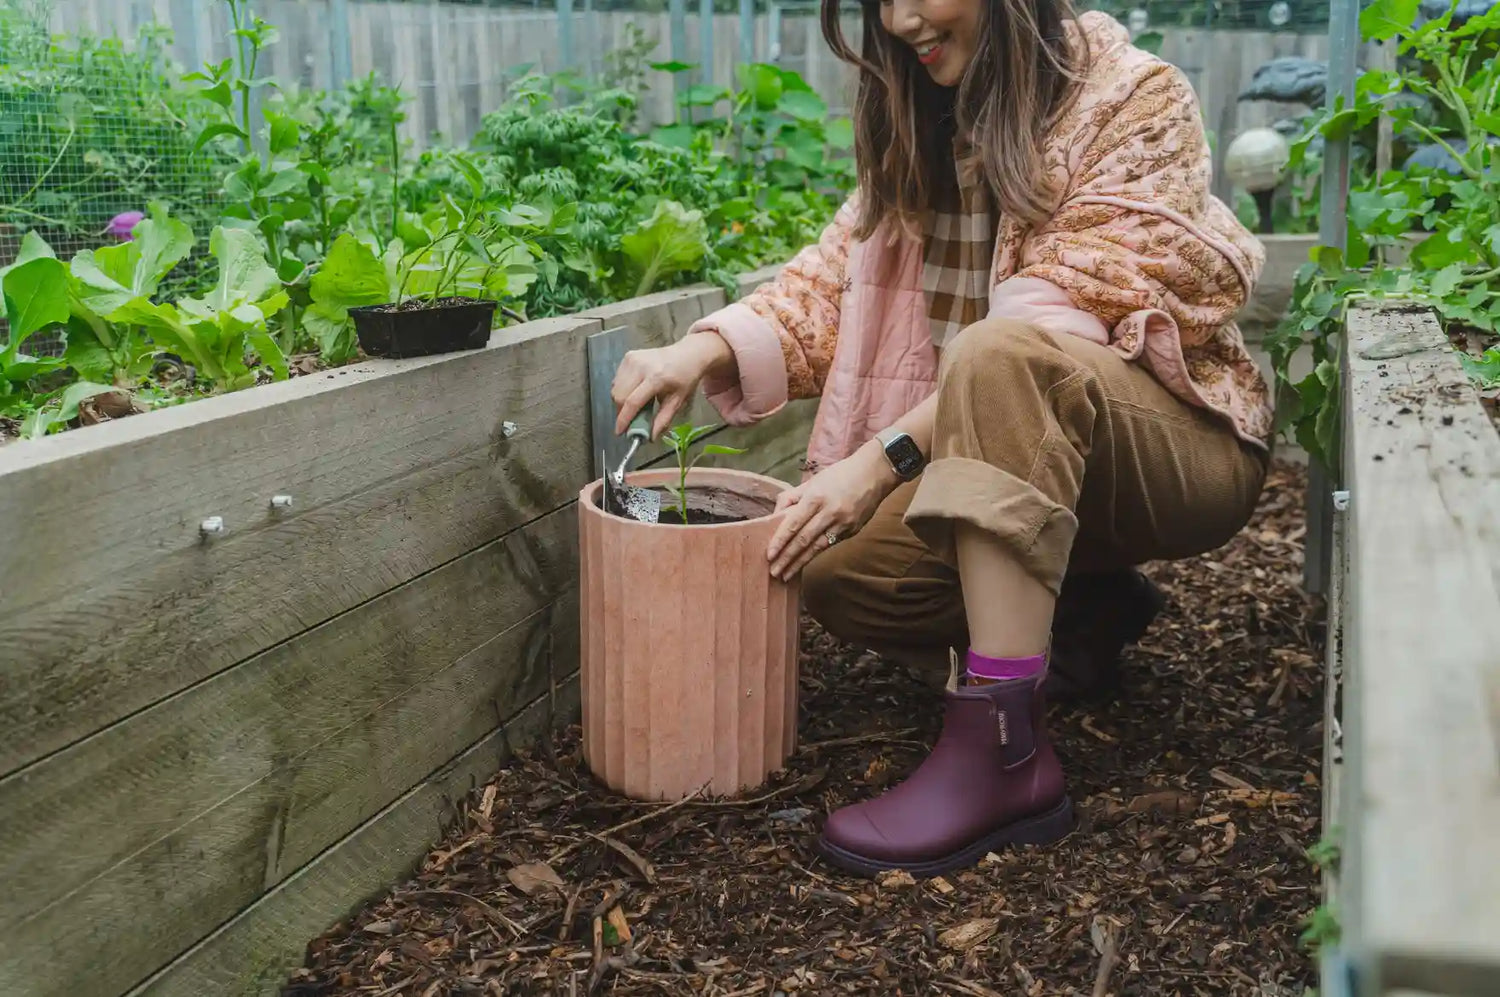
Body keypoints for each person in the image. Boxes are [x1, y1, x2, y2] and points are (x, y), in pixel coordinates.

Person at [610, 0, 1272, 878]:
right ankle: (1081, 615)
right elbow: (827, 283)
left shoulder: (1131, 98)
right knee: (840, 573)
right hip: (1019, 443)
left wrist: (875, 464)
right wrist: (699, 347)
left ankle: (1003, 750)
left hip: (1172, 444)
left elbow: (1053, 331)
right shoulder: (930, 123)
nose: (902, 18)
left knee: (1001, 352)